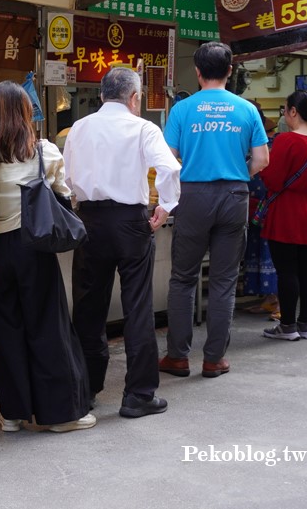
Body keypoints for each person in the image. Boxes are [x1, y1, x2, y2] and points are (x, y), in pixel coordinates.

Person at [63, 66, 180, 418]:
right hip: (131, 223)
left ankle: (85, 389)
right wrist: (165, 207)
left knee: (88, 308)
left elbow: (66, 178)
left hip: (89, 221)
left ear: (101, 96)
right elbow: (170, 169)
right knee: (138, 307)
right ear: (134, 98)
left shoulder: (78, 128)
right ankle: (138, 395)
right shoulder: (143, 127)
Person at [0, 81, 93, 433]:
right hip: (35, 248)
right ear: (27, 111)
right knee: (48, 327)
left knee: (5, 331)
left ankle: (13, 414)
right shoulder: (44, 151)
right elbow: (65, 194)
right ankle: (59, 415)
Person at [160, 42, 269, 379]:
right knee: (223, 281)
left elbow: (167, 158)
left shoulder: (182, 110)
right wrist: (238, 172)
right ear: (230, 71)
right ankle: (214, 360)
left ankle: (178, 357)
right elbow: (263, 159)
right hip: (235, 195)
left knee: (182, 278)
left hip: (192, 196)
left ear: (197, 71)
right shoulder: (247, 109)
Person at [260, 91, 307, 341]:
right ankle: (306, 324)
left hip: (287, 211)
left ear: (293, 112)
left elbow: (273, 179)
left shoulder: (285, 141)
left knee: (287, 271)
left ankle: (287, 326)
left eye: (285, 110)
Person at [243, 104, 279, 319]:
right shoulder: (248, 143)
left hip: (268, 205)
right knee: (256, 251)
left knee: (271, 253)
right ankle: (268, 299)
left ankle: (278, 302)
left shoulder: (272, 145)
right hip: (252, 206)